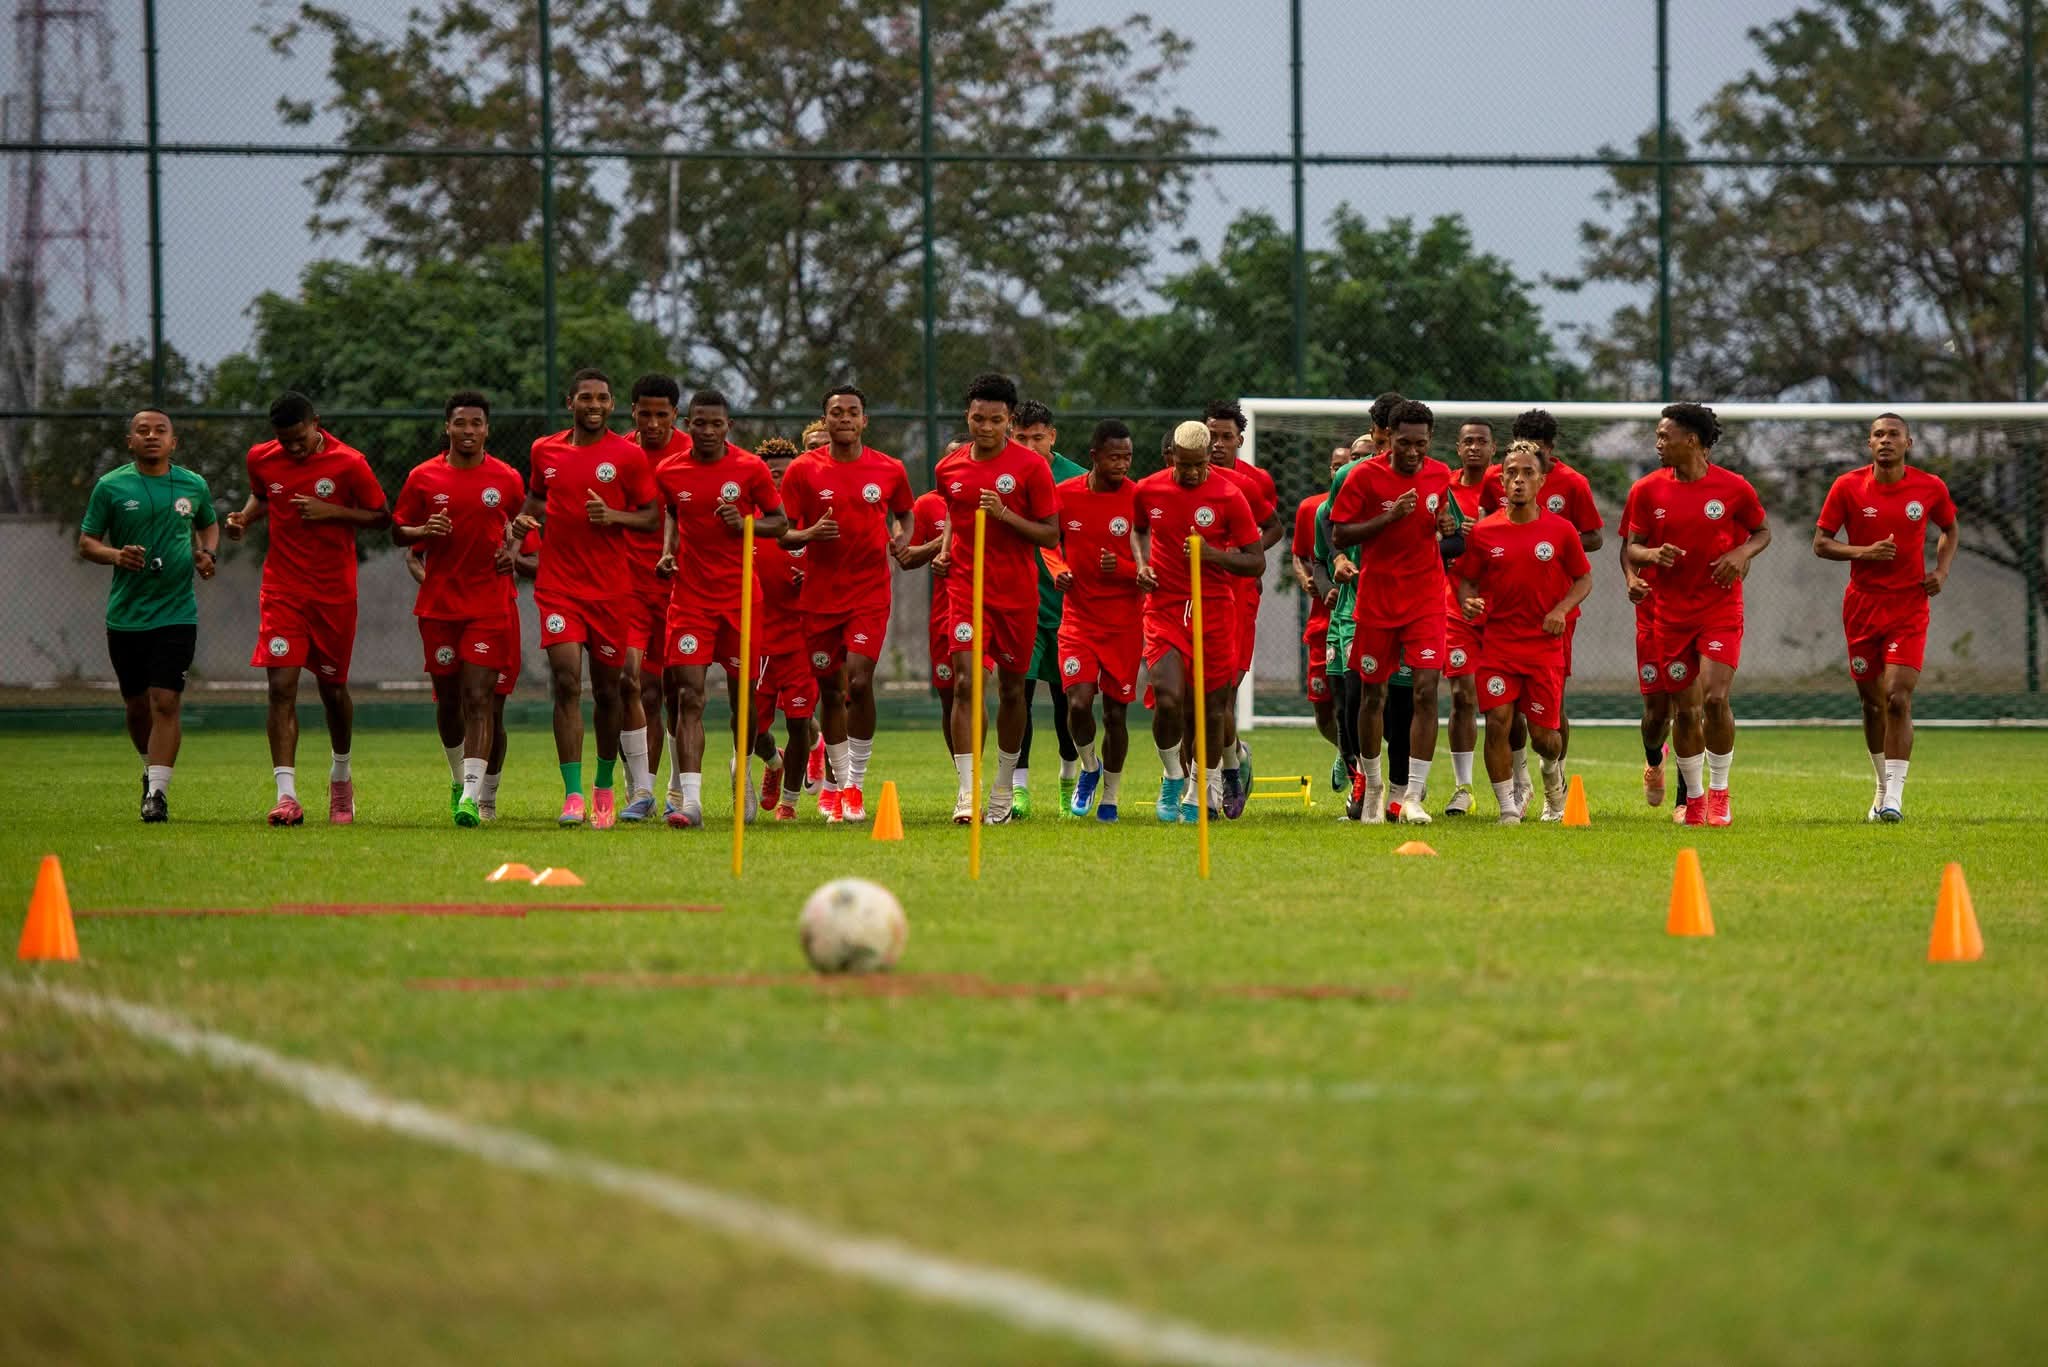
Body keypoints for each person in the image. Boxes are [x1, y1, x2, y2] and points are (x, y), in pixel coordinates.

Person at [226, 392, 390, 826]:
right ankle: (286, 796)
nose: (293, 449)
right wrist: (244, 518)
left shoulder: (350, 462)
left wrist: (329, 511)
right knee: (281, 686)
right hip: (282, 590)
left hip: (334, 594)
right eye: (284, 441)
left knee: (333, 690)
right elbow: (263, 496)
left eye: (300, 439)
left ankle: (341, 778)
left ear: (316, 423)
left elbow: (381, 516)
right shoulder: (261, 458)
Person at [507, 368, 660, 828]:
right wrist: (521, 523)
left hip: (612, 591)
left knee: (610, 691)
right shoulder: (544, 450)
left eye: (602, 398)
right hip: (559, 588)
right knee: (568, 681)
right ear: (570, 402)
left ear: (611, 405)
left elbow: (652, 516)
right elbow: (536, 500)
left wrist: (612, 515)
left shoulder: (628, 456)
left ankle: (603, 785)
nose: (594, 405)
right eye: (586, 398)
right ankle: (573, 794)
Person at [1622, 402, 1771, 827]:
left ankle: (1721, 794)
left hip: (1720, 608)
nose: (1657, 442)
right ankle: (1697, 800)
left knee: (1715, 699)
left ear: (1692, 440)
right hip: (1669, 615)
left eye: (1664, 436)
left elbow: (1763, 531)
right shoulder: (1647, 490)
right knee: (1684, 711)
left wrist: (1741, 551)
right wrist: (1651, 554)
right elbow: (1632, 546)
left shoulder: (1734, 488)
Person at [778, 384, 915, 823]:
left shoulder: (889, 468)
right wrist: (809, 536)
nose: (844, 418)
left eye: (852, 411)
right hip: (818, 598)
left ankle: (854, 785)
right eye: (836, 412)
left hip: (869, 593)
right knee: (830, 692)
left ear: (864, 420)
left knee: (858, 682)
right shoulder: (803, 470)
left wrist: (901, 536)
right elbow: (783, 531)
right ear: (826, 420)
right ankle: (835, 786)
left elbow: (905, 513)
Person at [652, 389, 787, 828]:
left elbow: (780, 521)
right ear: (687, 424)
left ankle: (741, 772)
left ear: (728, 426)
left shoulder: (749, 468)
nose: (707, 430)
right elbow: (673, 512)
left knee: (742, 703)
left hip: (741, 602)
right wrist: (668, 552)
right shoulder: (669, 470)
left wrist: (746, 523)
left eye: (716, 424)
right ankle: (690, 801)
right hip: (690, 601)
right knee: (688, 695)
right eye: (699, 423)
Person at [1813, 412, 1958, 822]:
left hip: (1909, 606)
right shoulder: (1847, 487)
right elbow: (1821, 543)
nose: (1886, 440)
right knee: (1872, 704)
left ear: (1908, 443)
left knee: (1897, 697)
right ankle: (1880, 787)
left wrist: (1941, 571)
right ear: (1869, 444)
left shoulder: (1930, 488)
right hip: (1861, 607)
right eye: (1878, 434)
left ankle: (1894, 796)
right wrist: (1863, 552)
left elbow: (1950, 528)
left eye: (1894, 434)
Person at [77, 408, 219, 822]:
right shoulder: (110, 486)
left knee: (166, 700)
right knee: (138, 706)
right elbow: (87, 543)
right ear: (130, 441)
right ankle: (147, 766)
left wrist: (207, 554)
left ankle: (157, 793)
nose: (152, 436)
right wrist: (116, 555)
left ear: (174, 442)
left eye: (161, 431)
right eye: (143, 431)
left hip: (177, 612)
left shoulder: (193, 485)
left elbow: (208, 525)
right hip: (126, 615)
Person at [391, 390, 524, 827]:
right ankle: (457, 778)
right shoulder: (422, 478)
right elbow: (398, 534)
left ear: (487, 429)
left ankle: (471, 797)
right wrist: (421, 529)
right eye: (460, 424)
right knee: (449, 703)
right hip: (439, 607)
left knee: (479, 698)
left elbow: (525, 528)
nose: (469, 431)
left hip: (489, 606)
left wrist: (515, 555)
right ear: (447, 427)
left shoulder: (506, 478)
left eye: (477, 424)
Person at [935, 373, 1061, 824]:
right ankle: (967, 794)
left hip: (1017, 593)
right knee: (967, 684)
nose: (984, 427)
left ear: (1008, 420)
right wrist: (946, 552)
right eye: (977, 418)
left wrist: (1005, 514)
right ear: (967, 416)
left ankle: (1004, 789)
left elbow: (1050, 532)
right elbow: (953, 515)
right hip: (967, 591)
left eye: (994, 420)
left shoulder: (1030, 467)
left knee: (1013, 690)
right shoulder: (948, 468)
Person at [1453, 441, 1594, 823]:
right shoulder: (1483, 532)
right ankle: (1507, 808)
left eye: (1527, 473)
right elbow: (1465, 580)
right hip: (1497, 646)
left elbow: (1583, 578)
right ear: (1501, 481)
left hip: (1543, 649)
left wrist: (1561, 610)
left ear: (1542, 481)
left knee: (1544, 739)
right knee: (1498, 722)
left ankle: (1552, 775)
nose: (1518, 481)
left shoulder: (1561, 531)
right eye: (1511, 474)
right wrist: (1469, 601)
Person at [1330, 399, 1453, 825]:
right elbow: (1340, 532)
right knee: (1372, 694)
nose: (1413, 451)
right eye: (1404, 443)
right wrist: (1389, 518)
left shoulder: (1440, 474)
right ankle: (1374, 786)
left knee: (1424, 691)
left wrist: (1446, 527)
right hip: (1378, 600)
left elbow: (1440, 520)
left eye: (1421, 443)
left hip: (1425, 599)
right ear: (1389, 438)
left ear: (1430, 440)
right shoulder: (1363, 476)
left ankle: (1413, 794)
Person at [1136, 420, 1261, 821]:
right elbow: (1138, 531)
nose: (1190, 472)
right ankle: (1174, 776)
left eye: (1198, 465)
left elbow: (1255, 560)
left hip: (1214, 612)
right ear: (1171, 454)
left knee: (1211, 709)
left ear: (1210, 457)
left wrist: (1214, 556)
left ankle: (1199, 790)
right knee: (1169, 699)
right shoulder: (1148, 489)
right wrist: (1142, 563)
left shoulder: (1229, 496)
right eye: (1182, 463)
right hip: (1165, 608)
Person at [1054, 419, 1147, 822]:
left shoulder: (1140, 498)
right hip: (1077, 621)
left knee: (1115, 714)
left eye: (1127, 456)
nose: (1122, 464)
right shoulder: (1064, 495)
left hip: (1124, 624)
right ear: (1094, 456)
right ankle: (1089, 767)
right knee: (1077, 703)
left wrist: (1123, 568)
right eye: (1114, 457)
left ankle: (1110, 794)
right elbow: (1048, 541)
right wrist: (1056, 567)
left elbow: (1152, 561)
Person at [1011, 400, 1089, 817]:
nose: (1028, 445)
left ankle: (1067, 780)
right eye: (1020, 437)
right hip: (1020, 605)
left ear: (1052, 437)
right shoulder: (1004, 475)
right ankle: (1018, 788)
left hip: (1068, 611)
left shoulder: (1076, 479)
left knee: (1068, 705)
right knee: (1017, 697)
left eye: (1037, 437)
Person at [1203, 400, 1281, 817]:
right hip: (1194, 592)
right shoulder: (1189, 477)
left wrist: (1243, 552)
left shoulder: (1255, 482)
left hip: (1239, 592)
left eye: (1225, 437)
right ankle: (1215, 766)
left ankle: (1231, 769)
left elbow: (1273, 528)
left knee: (1225, 690)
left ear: (1240, 440)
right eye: (1211, 435)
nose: (1217, 444)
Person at [619, 374, 690, 822]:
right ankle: (639, 790)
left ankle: (678, 790)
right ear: (633, 413)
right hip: (627, 587)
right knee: (634, 685)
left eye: (661, 414)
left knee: (681, 693)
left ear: (675, 415)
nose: (652, 422)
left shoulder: (691, 452)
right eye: (644, 413)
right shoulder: (619, 454)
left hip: (683, 589)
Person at [753, 436, 819, 821]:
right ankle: (773, 763)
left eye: (785, 474)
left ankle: (790, 803)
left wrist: (809, 580)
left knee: (798, 721)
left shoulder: (810, 521)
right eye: (771, 474)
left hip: (799, 638)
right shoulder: (751, 521)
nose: (778, 481)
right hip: (759, 639)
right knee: (754, 730)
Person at [1618, 510, 1688, 824]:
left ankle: (1687, 801)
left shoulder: (1721, 492)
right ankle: (1654, 758)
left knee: (1690, 709)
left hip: (1694, 619)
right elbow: (1628, 546)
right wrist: (1632, 578)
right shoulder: (1645, 493)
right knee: (1657, 713)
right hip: (1651, 621)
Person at [1441, 419, 1496, 815]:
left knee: (1501, 702)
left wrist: (1488, 529)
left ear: (1494, 448)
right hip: (1454, 602)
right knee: (1462, 694)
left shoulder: (1507, 484)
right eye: (1468, 442)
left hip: (1502, 608)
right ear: (1458, 449)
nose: (1474, 448)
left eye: (1482, 442)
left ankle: (1518, 786)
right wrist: (1447, 531)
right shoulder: (1442, 487)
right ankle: (1463, 787)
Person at [1290, 443, 1348, 780]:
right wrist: (1306, 579)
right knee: (1323, 708)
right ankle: (1344, 748)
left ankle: (1365, 767)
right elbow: (1300, 555)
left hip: (1361, 619)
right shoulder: (1312, 509)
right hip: (1322, 622)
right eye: (1335, 464)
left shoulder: (1370, 510)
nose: (1341, 468)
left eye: (1350, 461)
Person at [909, 486, 957, 762]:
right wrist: (943, 542)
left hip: (989, 609)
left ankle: (1005, 780)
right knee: (950, 698)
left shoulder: (993, 499)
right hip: (944, 615)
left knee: (969, 688)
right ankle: (966, 779)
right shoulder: (927, 504)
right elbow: (907, 556)